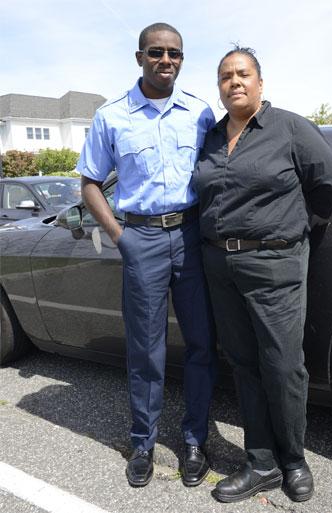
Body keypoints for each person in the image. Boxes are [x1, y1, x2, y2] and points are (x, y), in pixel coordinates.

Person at [193, 46, 332, 503]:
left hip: (274, 263)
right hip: (220, 264)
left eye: (243, 74)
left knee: (282, 366)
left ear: (260, 82)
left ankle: (293, 461)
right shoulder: (213, 137)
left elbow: (331, 186)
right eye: (225, 76)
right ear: (219, 87)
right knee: (243, 364)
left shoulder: (290, 128)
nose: (234, 82)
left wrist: (294, 234)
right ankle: (260, 463)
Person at [77, 22, 217, 488]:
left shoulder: (199, 112)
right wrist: (121, 236)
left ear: (181, 59)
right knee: (146, 351)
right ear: (139, 57)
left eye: (174, 53)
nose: (166, 60)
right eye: (156, 52)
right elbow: (91, 182)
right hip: (144, 241)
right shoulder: (111, 116)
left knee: (201, 344)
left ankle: (195, 439)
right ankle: (143, 442)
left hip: (193, 238)